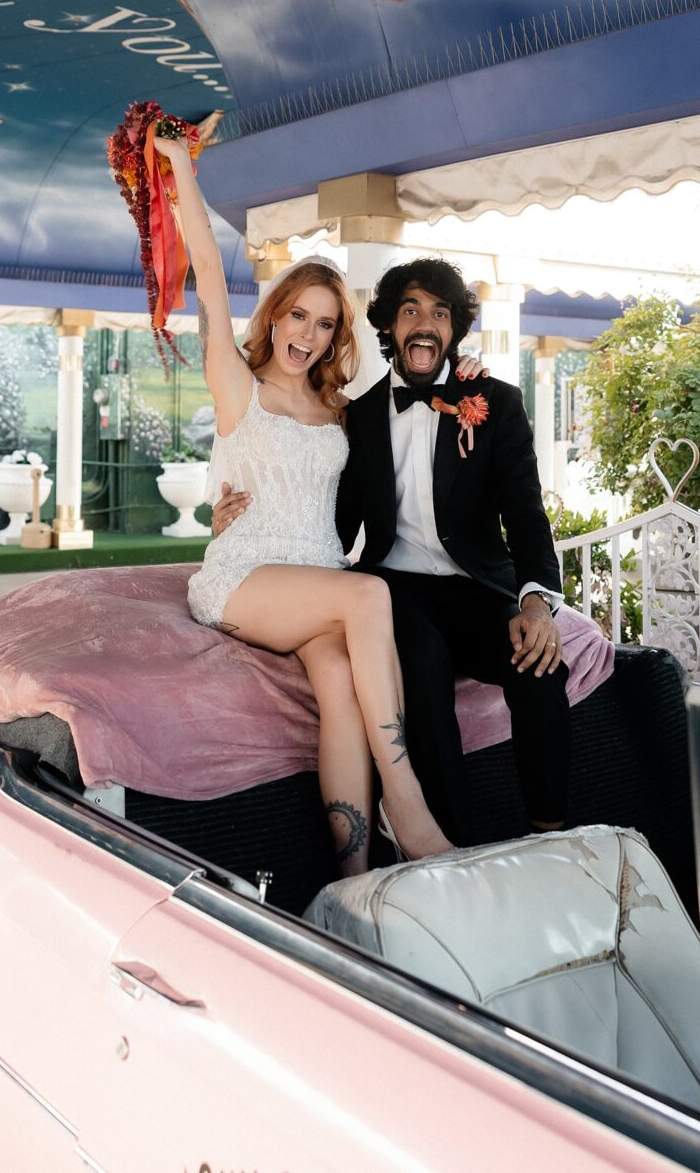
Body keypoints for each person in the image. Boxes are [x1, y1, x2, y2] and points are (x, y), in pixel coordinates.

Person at [156, 126, 487, 874]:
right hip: (245, 575)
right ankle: (407, 805)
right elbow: (208, 275)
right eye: (298, 315)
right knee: (369, 596)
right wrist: (180, 167)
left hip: (314, 582)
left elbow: (415, 395)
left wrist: (464, 375)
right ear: (274, 315)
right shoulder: (237, 387)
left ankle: (354, 875)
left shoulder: (339, 409)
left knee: (339, 676)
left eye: (326, 322)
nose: (309, 332)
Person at [214, 257, 569, 847]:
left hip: (478, 587)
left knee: (539, 669)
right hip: (396, 588)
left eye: (439, 312)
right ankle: (446, 848)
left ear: (455, 329)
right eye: (410, 311)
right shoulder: (356, 418)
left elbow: (528, 518)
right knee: (422, 668)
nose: (424, 323)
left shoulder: (496, 403)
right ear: (389, 328)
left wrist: (536, 602)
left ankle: (553, 838)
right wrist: (230, 521)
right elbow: (319, 513)